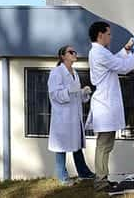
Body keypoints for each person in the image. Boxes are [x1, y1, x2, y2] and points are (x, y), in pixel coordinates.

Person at [86, 21, 134, 193]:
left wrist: (127, 48)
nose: (111, 37)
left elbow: (116, 60)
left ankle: (103, 178)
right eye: (109, 34)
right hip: (104, 105)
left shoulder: (101, 52)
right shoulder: (98, 53)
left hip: (107, 104)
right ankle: (100, 180)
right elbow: (123, 67)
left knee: (107, 145)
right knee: (104, 144)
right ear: (100, 35)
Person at [48, 45, 95, 186]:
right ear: (63, 56)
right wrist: (70, 90)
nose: (74, 53)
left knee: (77, 144)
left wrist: (84, 93)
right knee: (61, 147)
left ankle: (83, 172)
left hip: (74, 116)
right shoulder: (56, 72)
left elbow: (76, 96)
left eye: (75, 51)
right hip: (62, 118)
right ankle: (63, 177)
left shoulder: (74, 72)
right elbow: (54, 95)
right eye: (71, 52)